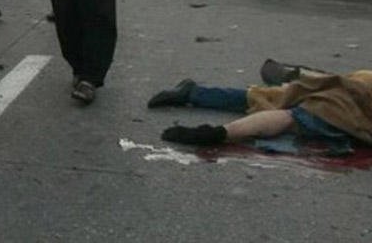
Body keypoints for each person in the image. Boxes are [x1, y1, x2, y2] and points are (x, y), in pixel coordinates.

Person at [147, 68, 372, 147]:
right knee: (295, 116)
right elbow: (287, 119)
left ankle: (195, 93)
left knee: (269, 97)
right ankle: (218, 132)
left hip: (353, 86)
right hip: (352, 99)